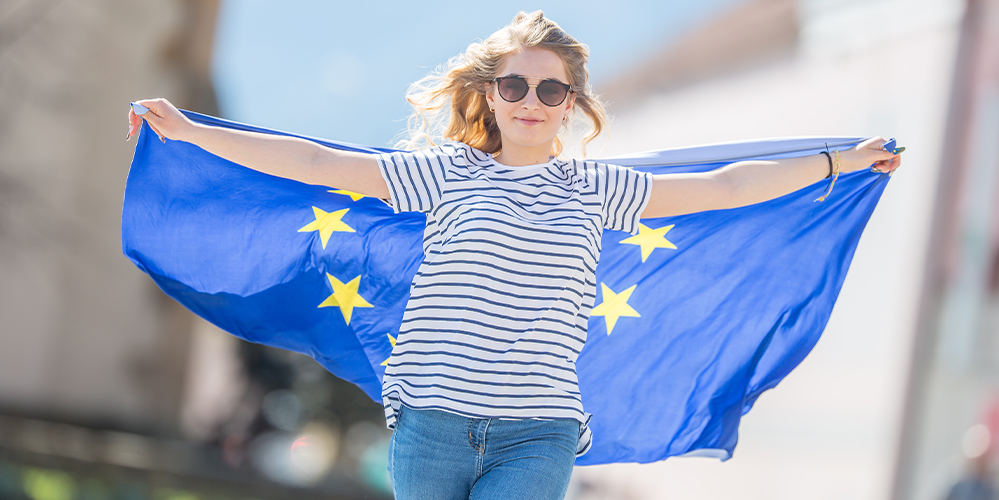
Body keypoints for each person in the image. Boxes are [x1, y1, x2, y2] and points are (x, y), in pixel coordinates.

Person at [127, 10, 901, 500]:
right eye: (516, 84)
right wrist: (192, 131)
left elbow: (728, 185)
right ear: (491, 94)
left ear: (573, 105)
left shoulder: (600, 189)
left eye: (551, 90)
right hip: (432, 423)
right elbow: (320, 165)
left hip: (539, 434)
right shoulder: (446, 173)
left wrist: (838, 162)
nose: (531, 100)